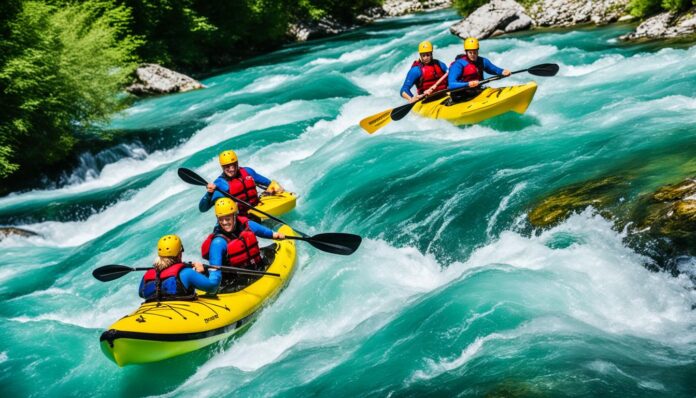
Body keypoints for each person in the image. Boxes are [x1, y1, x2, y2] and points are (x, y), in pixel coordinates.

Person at [201, 198, 285, 289]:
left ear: (234, 216)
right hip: (234, 281)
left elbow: (263, 231)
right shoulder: (218, 243)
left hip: (256, 266)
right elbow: (214, 270)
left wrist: (275, 235)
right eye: (221, 219)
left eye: (227, 218)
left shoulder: (245, 224)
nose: (224, 222)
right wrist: (212, 284)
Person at [199, 150, 285, 215]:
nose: (232, 169)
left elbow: (269, 183)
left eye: (234, 165)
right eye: (227, 166)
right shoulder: (221, 183)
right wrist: (209, 193)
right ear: (222, 167)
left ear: (237, 163)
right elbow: (203, 208)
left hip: (259, 208)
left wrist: (275, 189)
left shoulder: (248, 172)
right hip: (243, 217)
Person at [139, 235, 221, 301]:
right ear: (179, 254)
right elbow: (213, 287)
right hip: (180, 313)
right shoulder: (187, 273)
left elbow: (141, 294)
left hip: (154, 311)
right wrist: (214, 270)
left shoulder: (147, 275)